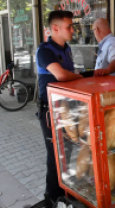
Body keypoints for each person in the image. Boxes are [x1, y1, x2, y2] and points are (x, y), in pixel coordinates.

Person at [36, 10, 83, 207]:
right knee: (55, 156)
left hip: (67, 108)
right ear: (55, 28)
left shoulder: (67, 48)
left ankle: (65, 192)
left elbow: (69, 74)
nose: (73, 30)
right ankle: (52, 198)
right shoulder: (45, 51)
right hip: (51, 111)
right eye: (69, 26)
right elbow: (62, 76)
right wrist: (81, 77)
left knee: (67, 153)